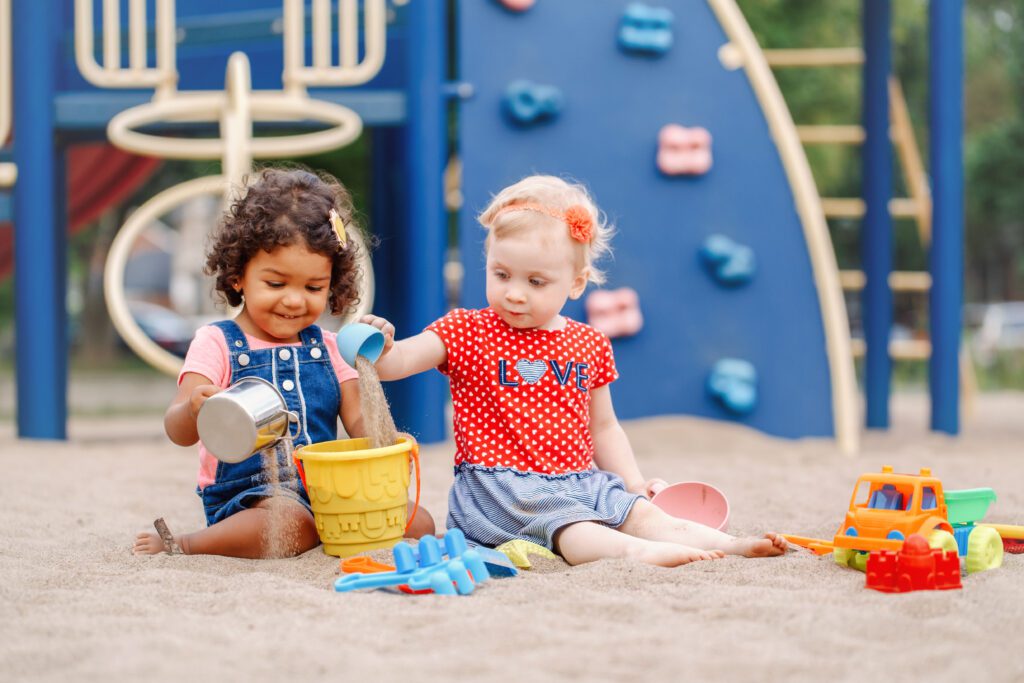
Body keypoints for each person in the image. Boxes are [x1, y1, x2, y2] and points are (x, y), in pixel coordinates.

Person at [361, 175, 785, 567]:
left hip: (579, 480)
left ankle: (725, 543)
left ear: (576, 283)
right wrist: (379, 343)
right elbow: (396, 365)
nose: (514, 293)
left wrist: (634, 484)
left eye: (536, 282)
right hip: (502, 490)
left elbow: (603, 428)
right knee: (576, 529)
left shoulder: (588, 343)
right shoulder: (466, 330)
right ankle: (638, 554)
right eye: (501, 274)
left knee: (641, 512)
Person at [134, 168, 435, 558]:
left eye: (313, 288)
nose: (294, 300)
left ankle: (327, 529)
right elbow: (178, 431)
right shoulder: (217, 342)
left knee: (420, 521)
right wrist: (195, 409)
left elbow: (361, 421)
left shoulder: (329, 347)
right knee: (288, 525)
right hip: (251, 497)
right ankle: (190, 543)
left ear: (333, 283)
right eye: (276, 284)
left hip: (330, 490)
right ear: (239, 274)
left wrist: (376, 382)